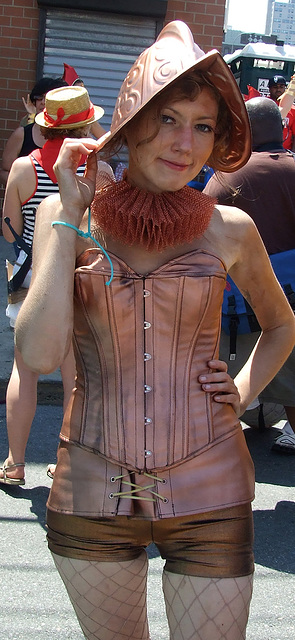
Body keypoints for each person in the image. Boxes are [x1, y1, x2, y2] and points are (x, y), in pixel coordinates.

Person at [15, 21, 295, 640]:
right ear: (131, 120)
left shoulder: (230, 228)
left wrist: (244, 390)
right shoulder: (71, 211)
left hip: (212, 482)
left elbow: (280, 326)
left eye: (202, 126)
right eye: (167, 118)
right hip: (90, 485)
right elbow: (35, 351)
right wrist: (68, 217)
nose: (184, 143)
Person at [0, 86, 104, 486]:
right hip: (78, 283)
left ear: (45, 125)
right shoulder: (101, 174)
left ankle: (14, 463)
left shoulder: (24, 169)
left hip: (31, 283)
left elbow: (8, 229)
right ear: (87, 124)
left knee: (23, 371)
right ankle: (65, 461)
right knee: (74, 377)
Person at [204, 96, 295, 454]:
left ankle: (247, 408)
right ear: (281, 129)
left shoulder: (230, 177)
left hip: (247, 296)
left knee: (251, 357)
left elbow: (203, 228)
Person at [0, 77, 67, 186]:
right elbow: (5, 171)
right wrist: (24, 187)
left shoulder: (73, 135)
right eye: (39, 98)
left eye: (48, 98)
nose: (43, 102)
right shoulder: (22, 134)